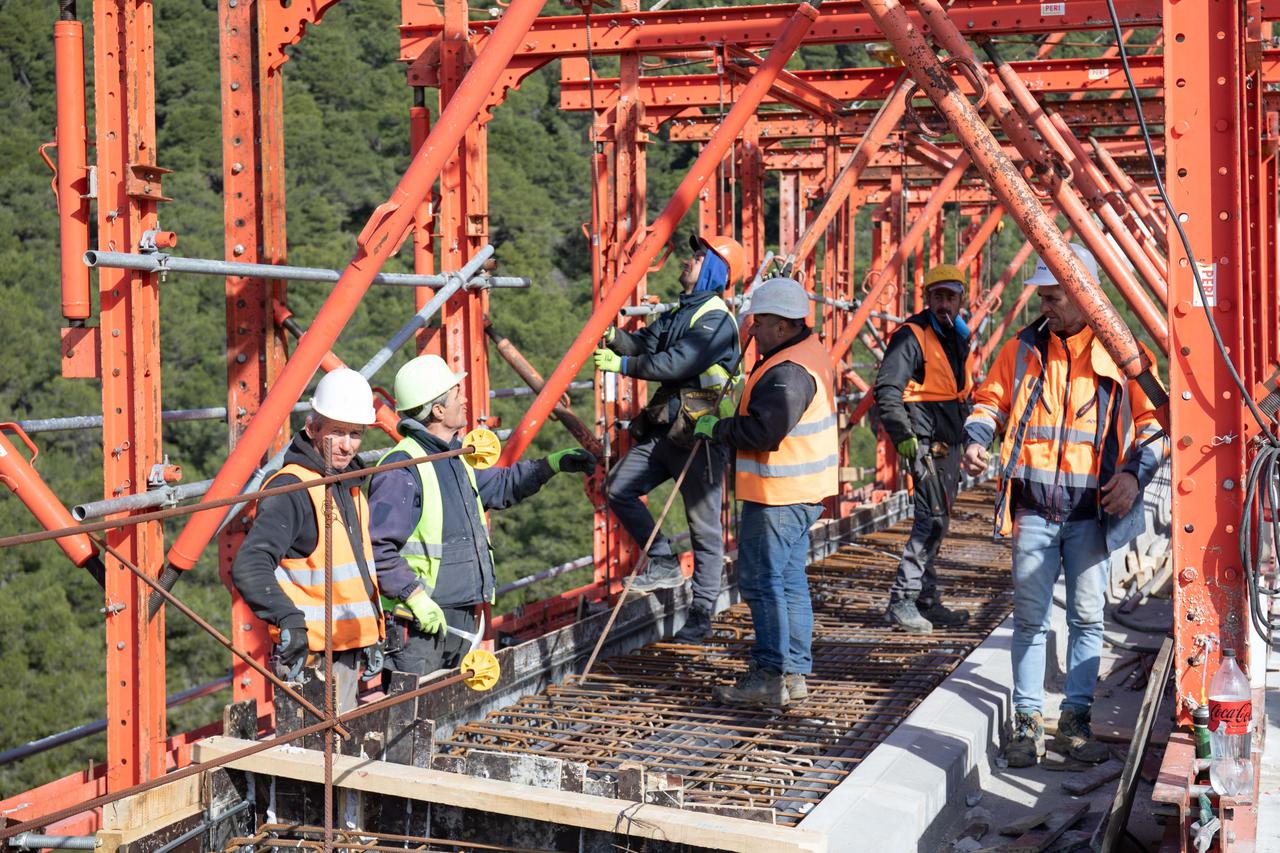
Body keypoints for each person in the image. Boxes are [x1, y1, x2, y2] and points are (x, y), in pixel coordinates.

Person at [962, 242, 1164, 767]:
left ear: (1083, 294)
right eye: (1043, 296)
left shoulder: (1124, 356)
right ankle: (1027, 722)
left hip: (1091, 515)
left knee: (1086, 618)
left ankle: (1075, 722)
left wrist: (1133, 476)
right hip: (1033, 508)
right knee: (1030, 620)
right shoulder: (1022, 350)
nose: (1044, 306)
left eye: (1053, 296)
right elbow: (990, 401)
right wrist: (977, 437)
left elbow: (1157, 425)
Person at [369, 354, 595, 676]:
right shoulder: (402, 470)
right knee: (415, 718)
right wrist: (414, 596)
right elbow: (378, 547)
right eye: (457, 394)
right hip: (420, 624)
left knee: (448, 713)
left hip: (457, 617)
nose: (465, 400)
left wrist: (550, 465)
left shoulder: (453, 457)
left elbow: (500, 486)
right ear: (437, 410)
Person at [692, 276, 838, 706]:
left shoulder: (789, 371)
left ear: (782, 324)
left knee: (761, 582)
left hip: (780, 493)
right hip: (799, 490)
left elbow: (764, 430)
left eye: (759, 322)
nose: (751, 330)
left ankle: (769, 676)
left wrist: (716, 427)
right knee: (789, 580)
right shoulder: (802, 353)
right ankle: (792, 673)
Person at [593, 234, 746, 642]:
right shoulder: (686, 311)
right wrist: (614, 339)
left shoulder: (714, 319)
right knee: (619, 487)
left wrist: (622, 364)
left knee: (704, 529)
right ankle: (662, 561)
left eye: (698, 257)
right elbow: (647, 342)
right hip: (668, 429)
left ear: (714, 271)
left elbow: (679, 362)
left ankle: (701, 614)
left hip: (701, 436)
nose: (687, 260)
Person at [231, 368, 385, 713]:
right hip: (311, 658)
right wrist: (288, 619)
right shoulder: (293, 489)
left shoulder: (349, 483)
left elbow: (355, 571)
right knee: (315, 759)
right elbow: (249, 564)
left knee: (337, 753)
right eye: (337, 433)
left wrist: (372, 632)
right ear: (312, 428)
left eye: (356, 433)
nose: (348, 445)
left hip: (346, 650)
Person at [874, 263, 975, 634]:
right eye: (937, 296)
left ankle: (925, 601)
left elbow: (956, 393)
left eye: (950, 296)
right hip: (923, 441)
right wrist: (903, 435)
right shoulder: (911, 337)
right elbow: (886, 390)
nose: (944, 303)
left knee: (939, 521)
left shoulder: (957, 337)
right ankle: (902, 600)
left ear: (961, 299)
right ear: (927, 299)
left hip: (948, 443)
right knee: (930, 519)